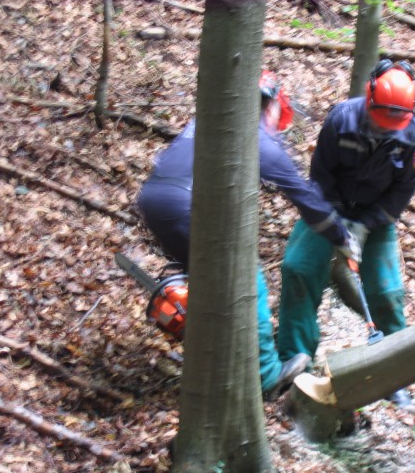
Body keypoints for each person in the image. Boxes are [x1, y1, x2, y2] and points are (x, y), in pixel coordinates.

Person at [137, 71, 361, 400]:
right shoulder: (253, 137)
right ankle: (266, 373)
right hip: (185, 205)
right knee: (245, 278)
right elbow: (304, 197)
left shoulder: (209, 121)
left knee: (210, 279)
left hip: (153, 200)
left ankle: (221, 358)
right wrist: (341, 237)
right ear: (270, 107)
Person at [277, 60, 415, 410]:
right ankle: (295, 358)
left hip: (375, 217)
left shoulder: (411, 136)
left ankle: (393, 377)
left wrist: (365, 226)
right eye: (381, 120)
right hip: (330, 208)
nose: (386, 128)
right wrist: (335, 225)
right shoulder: (341, 119)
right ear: (369, 99)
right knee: (298, 268)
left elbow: (401, 193)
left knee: (387, 291)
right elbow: (321, 177)